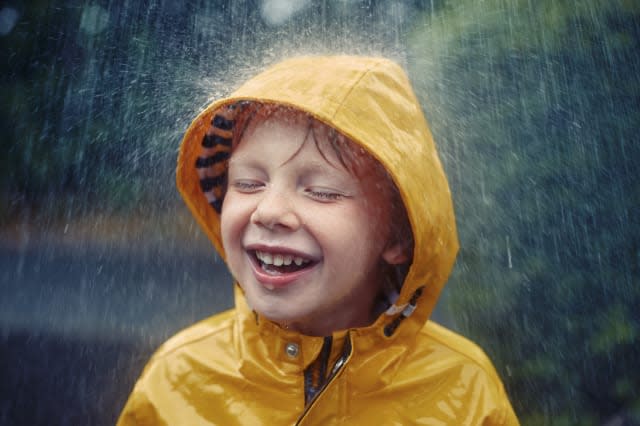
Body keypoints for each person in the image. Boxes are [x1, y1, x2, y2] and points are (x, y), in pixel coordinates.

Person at [117, 56, 519, 425]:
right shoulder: (178, 379)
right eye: (248, 183)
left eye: (322, 191)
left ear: (398, 233)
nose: (269, 211)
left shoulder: (465, 394)